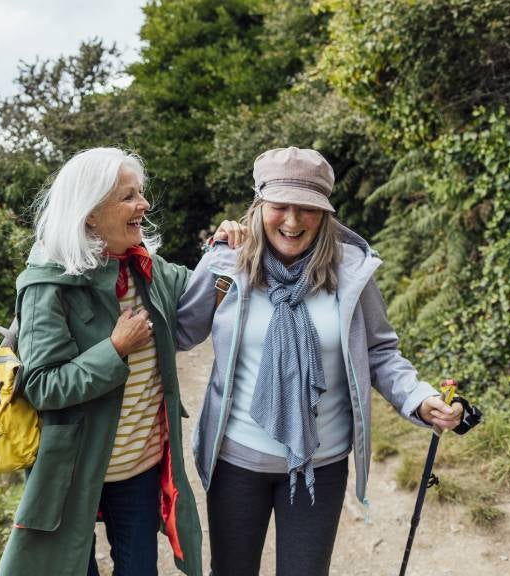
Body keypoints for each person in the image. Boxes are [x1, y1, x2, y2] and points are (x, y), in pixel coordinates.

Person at [175, 147, 464, 575]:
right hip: (237, 462)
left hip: (321, 463)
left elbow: (380, 352)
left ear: (325, 213)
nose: (292, 222)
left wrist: (419, 399)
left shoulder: (351, 273)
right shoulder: (226, 264)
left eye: (307, 208)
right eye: (280, 207)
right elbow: (179, 332)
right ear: (258, 207)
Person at [0, 147, 216, 576]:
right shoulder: (49, 285)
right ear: (90, 214)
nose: (144, 205)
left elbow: (205, 290)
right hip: (74, 472)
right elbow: (42, 385)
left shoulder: (143, 268)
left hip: (139, 466)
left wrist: (228, 247)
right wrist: (114, 349)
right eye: (128, 196)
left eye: (140, 193)